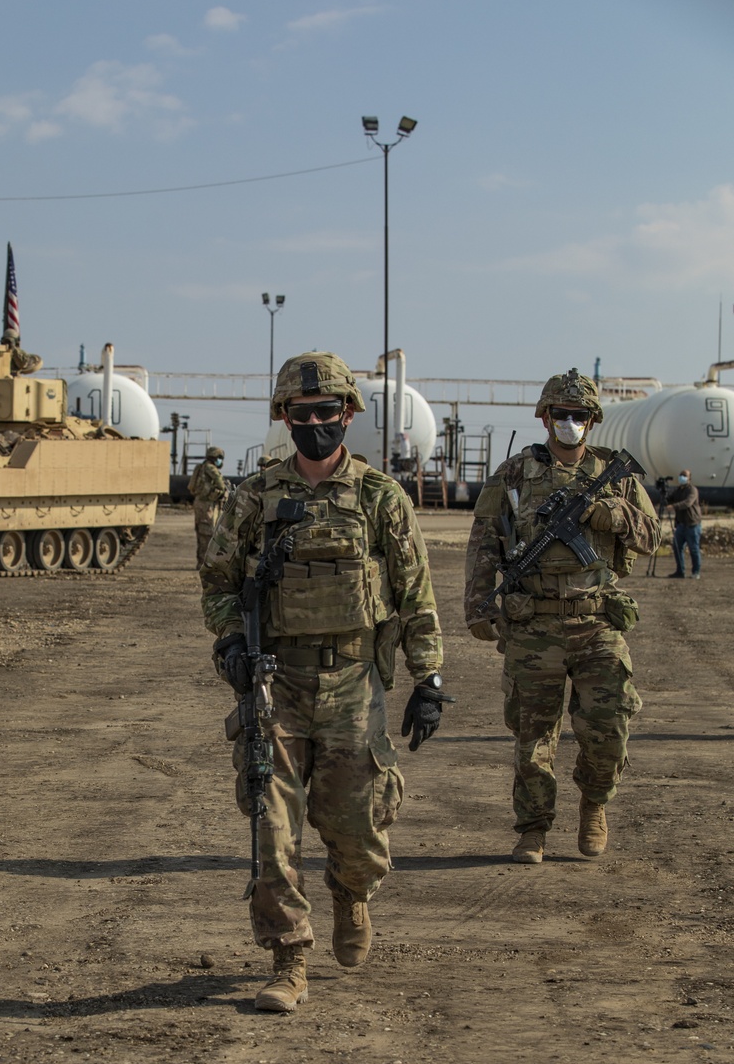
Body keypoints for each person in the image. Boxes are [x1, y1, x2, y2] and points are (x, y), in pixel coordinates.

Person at [201, 352, 448, 1012]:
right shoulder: (254, 496)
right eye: (303, 413)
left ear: (348, 415)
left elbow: (415, 589)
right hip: (275, 682)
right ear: (285, 418)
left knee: (356, 828)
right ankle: (289, 956)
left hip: (350, 683)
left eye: (328, 412)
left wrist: (429, 676)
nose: (316, 423)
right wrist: (229, 641)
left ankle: (353, 894)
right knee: (270, 823)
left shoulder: (379, 497)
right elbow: (218, 582)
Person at [465, 368, 661, 865]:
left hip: (597, 622)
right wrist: (479, 604)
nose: (568, 423)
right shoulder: (513, 474)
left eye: (578, 415)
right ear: (545, 417)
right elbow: (485, 540)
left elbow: (651, 537)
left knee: (609, 725)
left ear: (592, 421)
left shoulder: (615, 474)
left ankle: (594, 805)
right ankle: (533, 829)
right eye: (560, 414)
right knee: (532, 736)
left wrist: (611, 514)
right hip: (534, 623)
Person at [189, 446, 229, 569]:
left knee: (201, 533)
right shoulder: (211, 469)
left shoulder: (200, 467)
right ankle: (205, 563)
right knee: (208, 533)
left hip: (199, 503)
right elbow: (221, 486)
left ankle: (201, 561)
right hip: (208, 506)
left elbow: (191, 487)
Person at [667, 469, 702, 580]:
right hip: (681, 525)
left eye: (684, 475)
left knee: (694, 549)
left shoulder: (692, 490)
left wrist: (674, 507)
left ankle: (696, 572)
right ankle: (680, 571)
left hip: (692, 524)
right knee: (677, 548)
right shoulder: (678, 490)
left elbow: (687, 503)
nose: (682, 477)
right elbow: (670, 499)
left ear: (689, 478)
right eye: (681, 475)